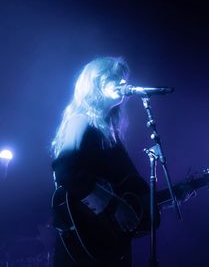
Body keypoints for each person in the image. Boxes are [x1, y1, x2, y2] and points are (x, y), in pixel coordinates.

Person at [51, 56, 160, 267]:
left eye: (123, 77)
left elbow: (129, 185)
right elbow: (64, 169)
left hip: (109, 243)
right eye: (114, 77)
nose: (122, 82)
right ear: (95, 82)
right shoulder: (80, 120)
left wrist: (156, 199)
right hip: (84, 243)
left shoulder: (111, 132)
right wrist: (113, 204)